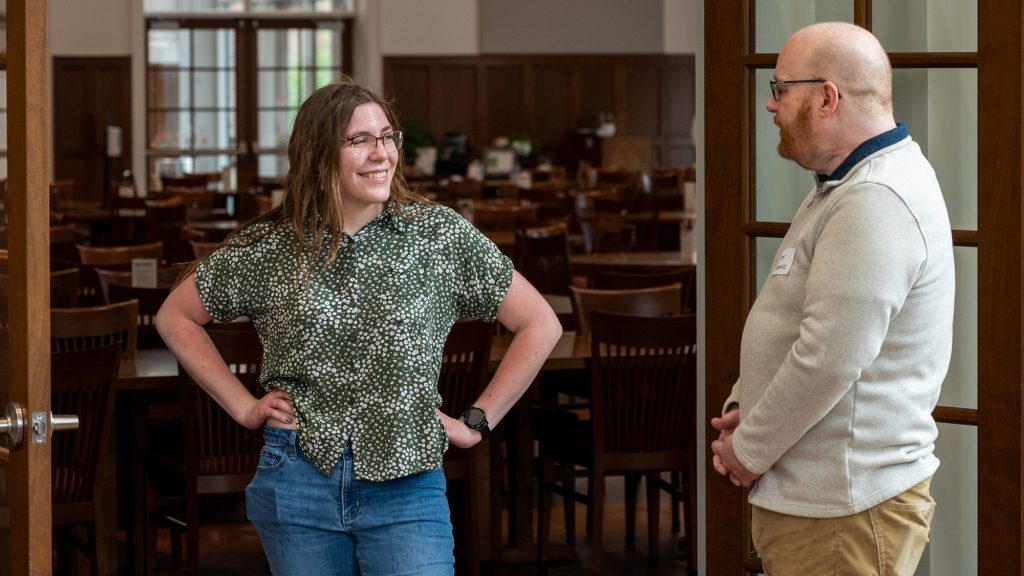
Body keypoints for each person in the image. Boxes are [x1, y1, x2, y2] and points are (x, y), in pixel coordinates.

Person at [155, 76, 563, 576]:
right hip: (299, 480)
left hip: (408, 487)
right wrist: (242, 406)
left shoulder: (437, 235)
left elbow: (540, 323)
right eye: (361, 140)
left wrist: (477, 421)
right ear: (319, 153)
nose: (382, 153)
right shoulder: (270, 247)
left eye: (388, 137)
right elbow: (175, 315)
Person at [709, 22, 954, 576]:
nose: (771, 106)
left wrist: (748, 451)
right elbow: (799, 324)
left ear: (827, 97)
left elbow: (829, 357)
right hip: (828, 501)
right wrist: (748, 409)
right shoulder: (846, 185)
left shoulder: (875, 199)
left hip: (845, 509)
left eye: (780, 89)